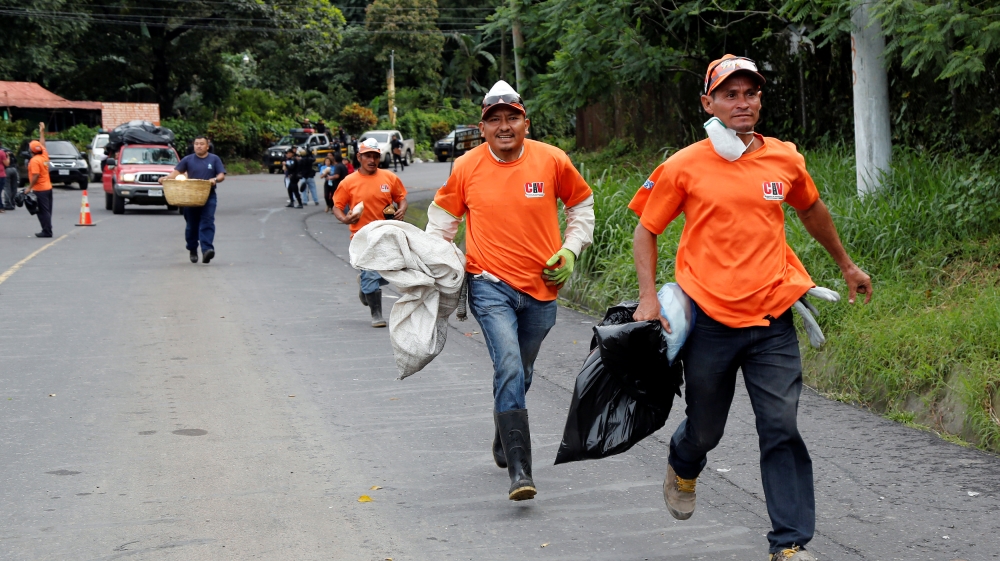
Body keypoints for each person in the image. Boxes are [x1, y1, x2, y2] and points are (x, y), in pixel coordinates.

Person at [628, 55, 873, 561]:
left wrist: (846, 265)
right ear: (709, 103)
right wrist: (649, 296)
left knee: (781, 428)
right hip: (709, 323)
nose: (743, 103)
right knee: (706, 429)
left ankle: (789, 544)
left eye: (751, 94)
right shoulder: (684, 164)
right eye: (731, 94)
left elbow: (811, 209)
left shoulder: (783, 158)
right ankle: (683, 461)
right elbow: (646, 229)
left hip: (771, 320)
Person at [424, 80, 595, 502]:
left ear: (525, 122)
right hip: (488, 284)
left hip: (542, 287)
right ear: (482, 128)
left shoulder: (552, 160)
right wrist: (433, 268)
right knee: (511, 366)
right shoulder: (466, 166)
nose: (504, 126)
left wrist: (571, 251)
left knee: (523, 369)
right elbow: (441, 223)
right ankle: (521, 471)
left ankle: (504, 429)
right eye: (494, 120)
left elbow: (582, 206)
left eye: (511, 118)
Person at [332, 138, 408, 328]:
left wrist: (402, 209)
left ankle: (365, 285)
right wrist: (344, 219)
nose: (372, 160)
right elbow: (338, 206)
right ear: (359, 157)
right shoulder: (349, 182)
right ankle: (377, 315)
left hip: (387, 234)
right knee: (372, 274)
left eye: (375, 156)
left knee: (394, 269)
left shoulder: (389, 178)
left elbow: (401, 198)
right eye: (368, 156)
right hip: (362, 237)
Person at [158, 136, 226, 264]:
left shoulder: (214, 159)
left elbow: (221, 175)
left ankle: (207, 250)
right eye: (196, 144)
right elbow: (175, 173)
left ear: (207, 146)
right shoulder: (187, 160)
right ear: (193, 146)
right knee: (192, 226)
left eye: (201, 144)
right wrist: (165, 178)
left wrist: (215, 180)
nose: (199, 146)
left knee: (207, 221)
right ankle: (192, 248)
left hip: (208, 195)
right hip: (190, 196)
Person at [24, 123, 53, 237]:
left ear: (31, 150)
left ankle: (47, 231)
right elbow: (43, 145)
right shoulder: (44, 156)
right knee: (47, 210)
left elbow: (35, 175)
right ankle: (47, 228)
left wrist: (29, 188)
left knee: (42, 211)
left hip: (40, 190)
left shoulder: (34, 161)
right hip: (48, 188)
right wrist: (42, 132)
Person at [2, 143, 17, 211]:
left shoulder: (1, 151)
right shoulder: (8, 150)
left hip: (6, 170)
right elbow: (15, 160)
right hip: (14, 169)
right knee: (13, 187)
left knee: (7, 187)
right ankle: (13, 202)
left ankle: (8, 203)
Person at [0, 143, 8, 213]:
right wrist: (7, 156)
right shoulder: (1, 153)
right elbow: (6, 164)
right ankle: (1, 207)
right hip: (1, 175)